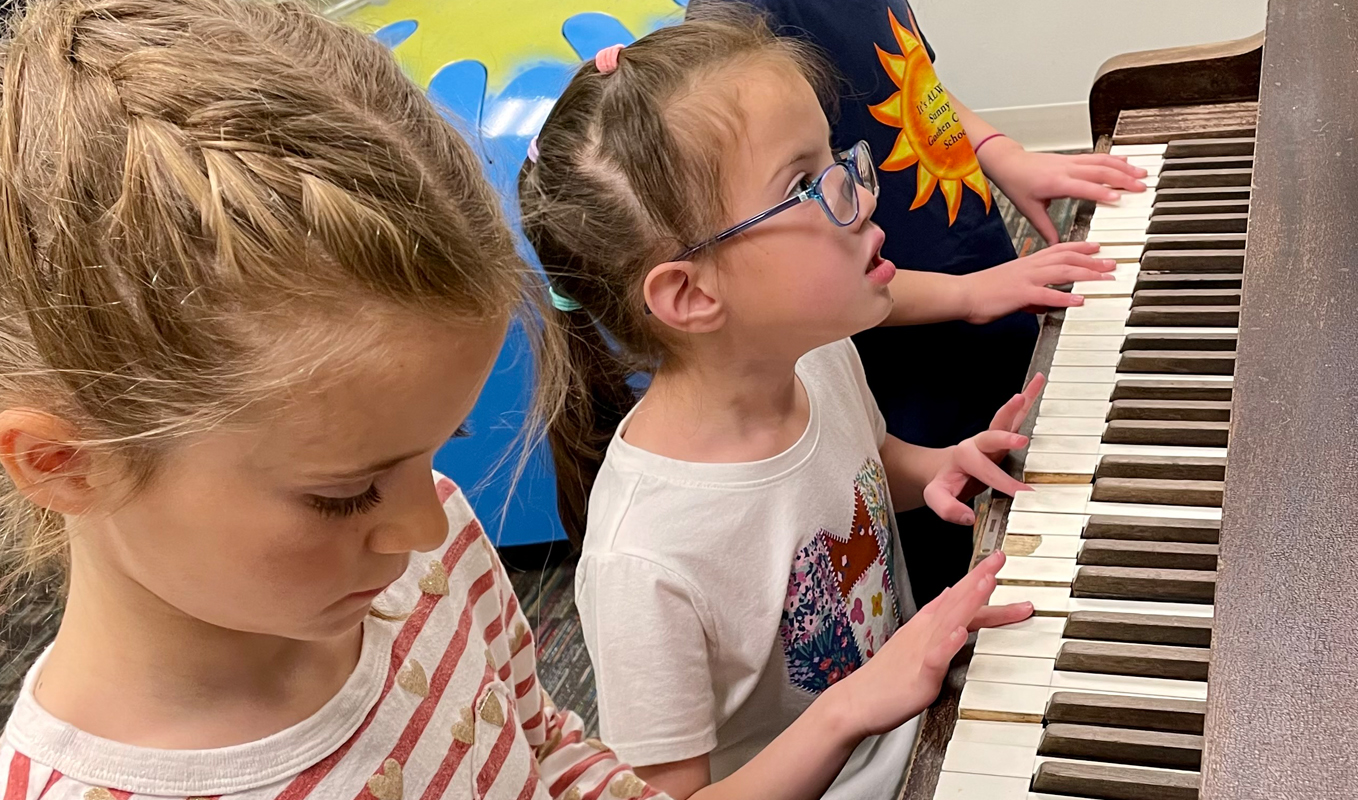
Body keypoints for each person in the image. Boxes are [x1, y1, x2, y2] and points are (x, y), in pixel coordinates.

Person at [0, 2, 1010, 799]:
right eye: (345, 493)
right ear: (64, 462)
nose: (430, 520)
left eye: (431, 451)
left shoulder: (426, 550)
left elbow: (549, 746)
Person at [520, 11, 1082, 799]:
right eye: (806, 184)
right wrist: (848, 712)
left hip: (927, 734)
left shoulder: (817, 357)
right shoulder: (643, 561)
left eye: (839, 157)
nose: (864, 188)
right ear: (690, 292)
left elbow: (866, 462)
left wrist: (938, 468)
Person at [686, 0, 1149, 605]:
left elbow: (915, 89)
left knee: (1036, 453)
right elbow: (796, 281)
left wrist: (1003, 154)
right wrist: (968, 293)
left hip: (977, 274)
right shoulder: (743, 23)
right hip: (911, 367)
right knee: (968, 556)